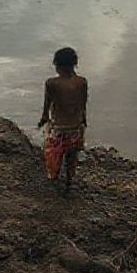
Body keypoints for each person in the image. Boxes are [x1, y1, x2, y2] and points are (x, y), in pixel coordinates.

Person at [37, 47, 88, 191]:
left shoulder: (51, 83)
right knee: (72, 157)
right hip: (76, 128)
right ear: (74, 64)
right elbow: (83, 105)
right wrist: (83, 121)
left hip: (59, 129)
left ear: (57, 65)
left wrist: (43, 119)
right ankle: (69, 181)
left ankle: (53, 177)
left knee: (53, 156)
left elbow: (47, 106)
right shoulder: (82, 82)